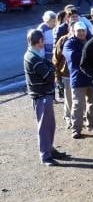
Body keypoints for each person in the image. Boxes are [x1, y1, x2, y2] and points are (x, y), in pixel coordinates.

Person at [24, 29, 68, 165]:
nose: (45, 41)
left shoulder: (35, 54)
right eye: (43, 39)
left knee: (50, 125)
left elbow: (49, 66)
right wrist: (52, 70)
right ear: (40, 41)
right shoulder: (34, 58)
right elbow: (49, 75)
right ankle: (46, 156)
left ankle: (50, 149)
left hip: (44, 95)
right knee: (44, 127)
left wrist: (51, 68)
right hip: (41, 96)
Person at [63, 22, 93, 139]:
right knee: (78, 105)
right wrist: (89, 55)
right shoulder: (69, 43)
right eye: (79, 31)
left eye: (83, 30)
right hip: (78, 79)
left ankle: (91, 124)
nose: (82, 33)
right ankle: (76, 129)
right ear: (74, 31)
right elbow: (73, 57)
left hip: (91, 77)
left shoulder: (90, 40)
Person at [52, 23, 74, 130]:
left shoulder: (83, 38)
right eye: (74, 30)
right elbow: (56, 59)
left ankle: (78, 117)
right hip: (66, 74)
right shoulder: (63, 40)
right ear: (70, 29)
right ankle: (68, 117)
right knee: (68, 97)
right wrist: (57, 75)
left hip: (79, 74)